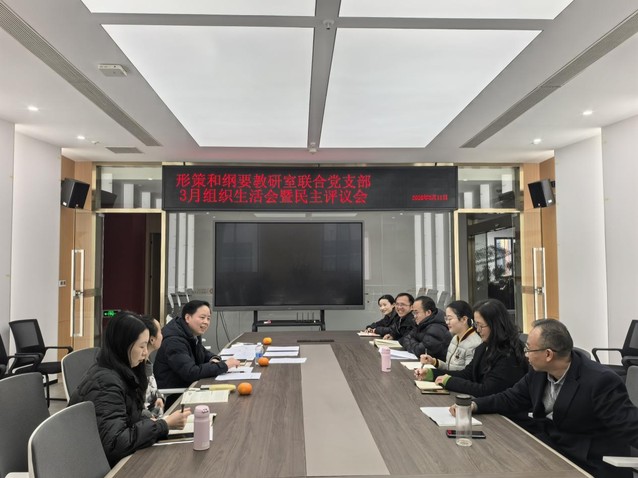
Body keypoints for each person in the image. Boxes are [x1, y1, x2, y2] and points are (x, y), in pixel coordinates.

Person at [451, 319, 638, 478]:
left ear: (548, 354)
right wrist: (473, 405)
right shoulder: (538, 372)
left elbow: (630, 425)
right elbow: (511, 398)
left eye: (528, 349)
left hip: (587, 463)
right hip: (548, 449)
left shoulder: (600, 381)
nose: (525, 355)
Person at [69, 311, 190, 466]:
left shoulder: (122, 371)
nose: (145, 352)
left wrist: (152, 422)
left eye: (146, 345)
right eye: (142, 346)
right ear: (123, 345)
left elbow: (129, 416)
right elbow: (116, 443)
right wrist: (163, 425)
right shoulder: (106, 384)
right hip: (99, 464)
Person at [415, 298, 527, 397]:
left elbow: (487, 390)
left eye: (481, 325)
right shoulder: (483, 347)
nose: (477, 330)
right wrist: (432, 374)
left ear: (495, 325)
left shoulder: (508, 353)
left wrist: (450, 382)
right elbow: (467, 374)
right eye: (476, 325)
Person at [154, 300, 240, 405]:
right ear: (187, 318)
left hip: (191, 387)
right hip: (177, 396)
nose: (206, 322)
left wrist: (214, 358)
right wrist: (224, 365)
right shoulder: (174, 341)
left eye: (208, 318)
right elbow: (191, 372)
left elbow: (201, 351)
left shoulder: (189, 332)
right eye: (202, 317)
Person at [419, 300, 482, 371]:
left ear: (464, 319)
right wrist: (434, 362)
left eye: (450, 318)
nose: (447, 322)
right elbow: (450, 368)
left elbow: (468, 374)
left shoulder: (474, 344)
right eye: (446, 319)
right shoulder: (455, 338)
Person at [398, 296, 450, 360]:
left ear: (428, 312)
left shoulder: (437, 328)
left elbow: (421, 352)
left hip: (435, 365)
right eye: (413, 313)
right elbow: (403, 339)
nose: (414, 316)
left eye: (416, 312)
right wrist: (416, 343)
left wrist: (411, 341)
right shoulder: (421, 324)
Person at [139, 315, 165, 417]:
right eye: (160, 332)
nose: (162, 335)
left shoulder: (147, 362)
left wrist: (159, 397)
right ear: (152, 339)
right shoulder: (136, 367)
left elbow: (151, 388)